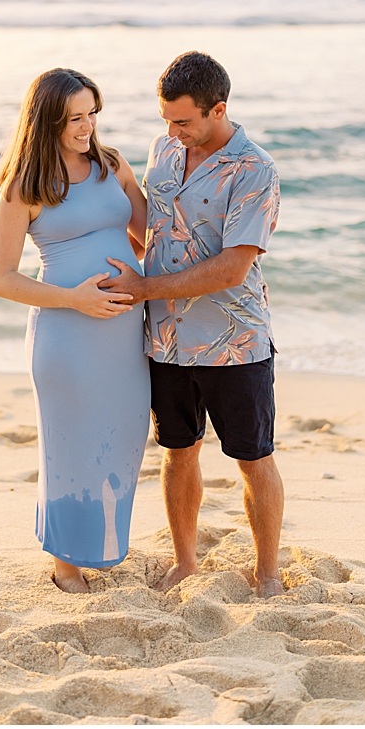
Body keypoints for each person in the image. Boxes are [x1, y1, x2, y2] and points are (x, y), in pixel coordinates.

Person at [101, 51, 285, 598]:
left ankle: (268, 572)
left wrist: (145, 287)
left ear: (218, 109)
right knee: (177, 451)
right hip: (166, 340)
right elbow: (154, 232)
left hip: (235, 342)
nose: (172, 131)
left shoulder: (255, 170)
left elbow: (233, 266)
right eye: (166, 120)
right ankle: (186, 561)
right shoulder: (164, 149)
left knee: (253, 458)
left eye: (183, 121)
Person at [0, 68, 151, 594]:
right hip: (66, 336)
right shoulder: (24, 186)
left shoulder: (111, 163)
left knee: (125, 437)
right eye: (75, 118)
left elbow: (150, 234)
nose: (88, 126)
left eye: (92, 114)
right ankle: (65, 564)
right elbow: (2, 279)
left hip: (124, 336)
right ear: (47, 121)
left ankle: (101, 544)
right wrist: (76, 299)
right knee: (71, 444)